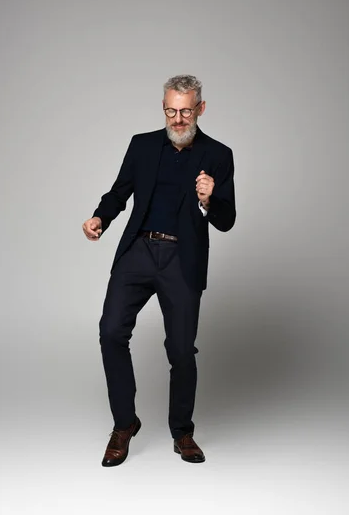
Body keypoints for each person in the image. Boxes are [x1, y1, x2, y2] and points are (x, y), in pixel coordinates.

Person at [82, 74, 236, 466]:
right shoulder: (142, 145)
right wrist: (100, 217)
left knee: (181, 350)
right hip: (138, 250)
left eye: (186, 111)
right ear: (163, 108)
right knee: (111, 330)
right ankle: (124, 423)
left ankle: (182, 431)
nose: (178, 119)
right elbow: (120, 191)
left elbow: (226, 219)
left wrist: (210, 197)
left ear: (201, 109)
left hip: (182, 257)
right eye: (171, 110)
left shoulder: (218, 154)